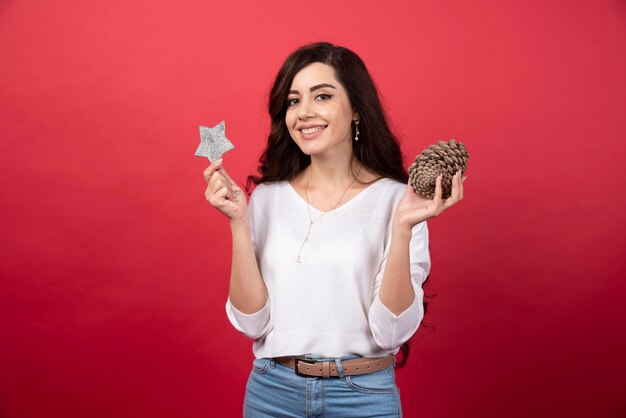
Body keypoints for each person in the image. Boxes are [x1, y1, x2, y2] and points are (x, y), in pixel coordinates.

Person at [203, 42, 465, 418]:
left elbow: (390, 334)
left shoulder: (399, 201)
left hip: (363, 396)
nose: (304, 112)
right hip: (272, 393)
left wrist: (404, 228)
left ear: (356, 109)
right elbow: (251, 322)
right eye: (293, 101)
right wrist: (239, 223)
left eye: (322, 96)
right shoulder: (265, 199)